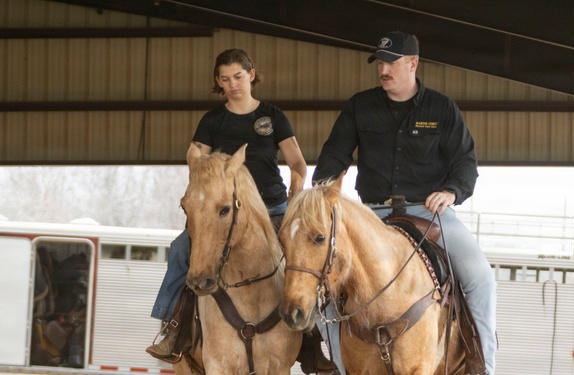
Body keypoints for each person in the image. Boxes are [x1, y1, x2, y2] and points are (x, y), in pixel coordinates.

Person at [312, 31, 497, 374]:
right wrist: (321, 191)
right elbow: (334, 154)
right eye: (380, 63)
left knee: (480, 278)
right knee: (318, 285)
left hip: (428, 213)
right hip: (372, 215)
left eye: (391, 63)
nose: (383, 69)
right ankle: (340, 364)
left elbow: (465, 163)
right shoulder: (360, 105)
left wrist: (451, 192)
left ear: (412, 64)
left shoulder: (441, 108)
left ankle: (481, 365)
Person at [146, 48, 337, 374]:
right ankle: (173, 327)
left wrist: (297, 180)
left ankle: (313, 339)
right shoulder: (212, 120)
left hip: (272, 207)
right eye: (225, 79)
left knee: (303, 260)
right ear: (218, 83)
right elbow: (198, 162)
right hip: (223, 212)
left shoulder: (272, 116)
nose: (232, 84)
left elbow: (297, 161)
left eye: (238, 76)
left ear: (251, 74)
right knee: (181, 250)